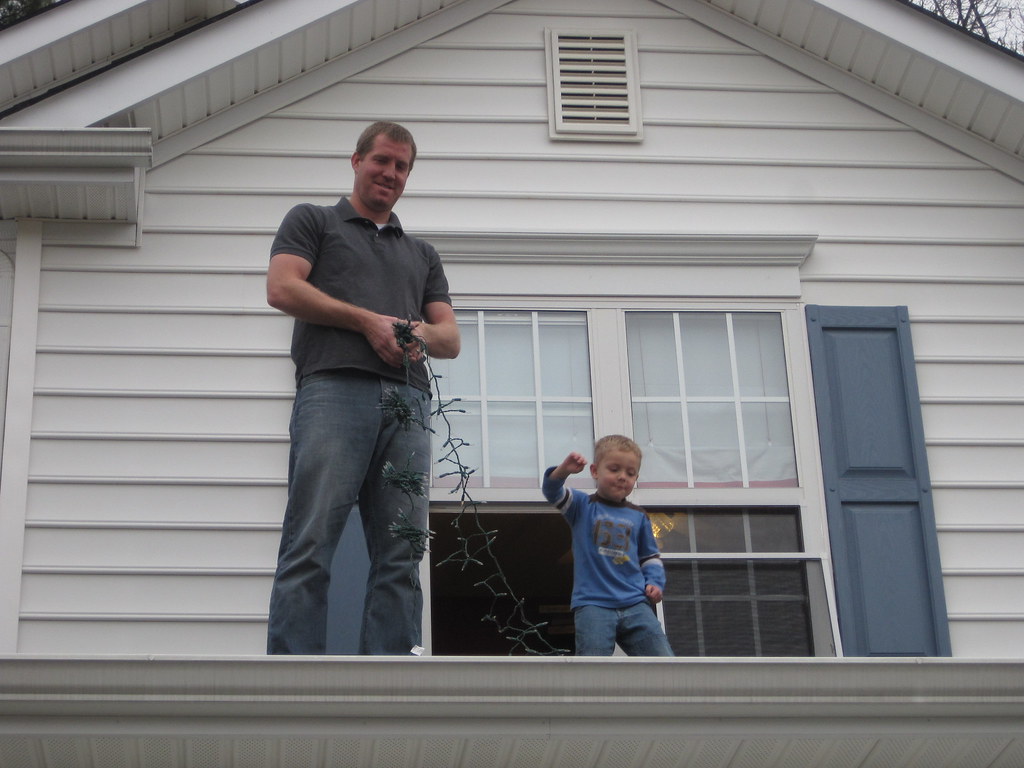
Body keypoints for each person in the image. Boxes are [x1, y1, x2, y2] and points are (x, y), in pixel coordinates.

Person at [265, 121, 460, 655]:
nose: (390, 173)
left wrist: (409, 331)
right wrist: (367, 322)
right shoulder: (313, 221)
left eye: (401, 167)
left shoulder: (422, 254)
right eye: (382, 161)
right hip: (333, 390)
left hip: (408, 402)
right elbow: (282, 287)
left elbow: (450, 338)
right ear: (356, 161)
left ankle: (392, 680)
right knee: (311, 539)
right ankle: (293, 678)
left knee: (402, 548)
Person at [542, 435, 674, 656]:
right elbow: (552, 491)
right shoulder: (582, 506)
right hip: (594, 604)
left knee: (664, 663)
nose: (622, 477)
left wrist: (655, 583)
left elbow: (649, 557)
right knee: (593, 669)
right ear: (595, 471)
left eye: (630, 473)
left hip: (635, 603)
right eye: (614, 469)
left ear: (636, 478)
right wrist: (564, 470)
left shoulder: (638, 516)